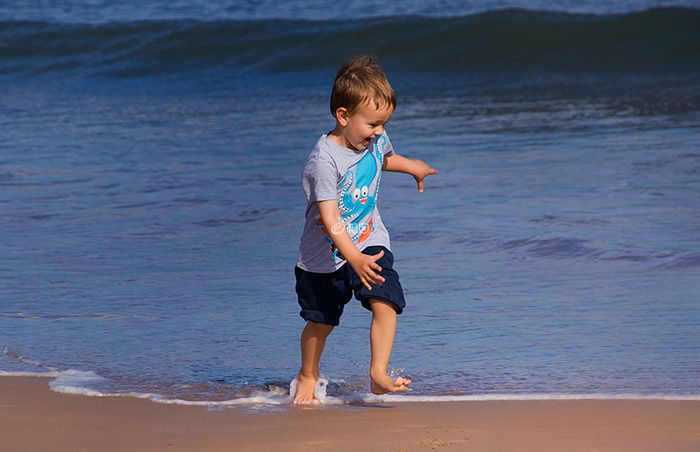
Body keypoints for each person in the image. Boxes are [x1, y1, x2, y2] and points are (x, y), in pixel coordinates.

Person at [292, 55, 438, 405]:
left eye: (384, 123)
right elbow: (330, 218)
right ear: (343, 116)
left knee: (385, 299)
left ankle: (377, 374)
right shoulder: (323, 160)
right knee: (321, 323)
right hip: (324, 258)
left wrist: (412, 167)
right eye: (373, 124)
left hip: (370, 240)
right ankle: (308, 374)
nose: (379, 132)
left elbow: (385, 158)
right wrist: (351, 256)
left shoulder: (373, 139)